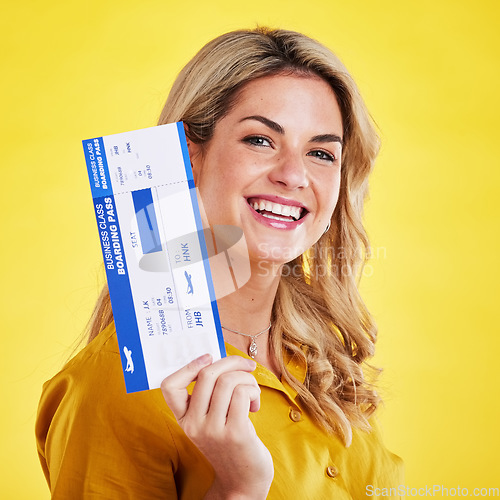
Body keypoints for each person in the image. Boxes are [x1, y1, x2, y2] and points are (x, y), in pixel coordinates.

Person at [36, 27, 403, 499]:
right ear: (189, 157)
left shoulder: (318, 358)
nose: (294, 175)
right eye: (260, 140)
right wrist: (238, 488)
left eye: (320, 153)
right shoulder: (116, 385)